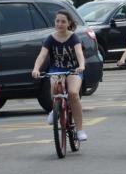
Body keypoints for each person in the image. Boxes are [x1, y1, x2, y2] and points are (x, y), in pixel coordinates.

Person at [32, 10, 87, 141]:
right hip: (56, 69)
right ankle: (54, 109)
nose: (60, 24)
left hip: (73, 69)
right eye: (57, 21)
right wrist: (36, 69)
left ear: (69, 23)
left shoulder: (73, 37)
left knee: (73, 94)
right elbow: (42, 55)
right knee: (55, 90)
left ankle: (79, 130)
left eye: (63, 21)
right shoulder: (50, 38)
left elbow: (79, 53)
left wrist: (81, 66)